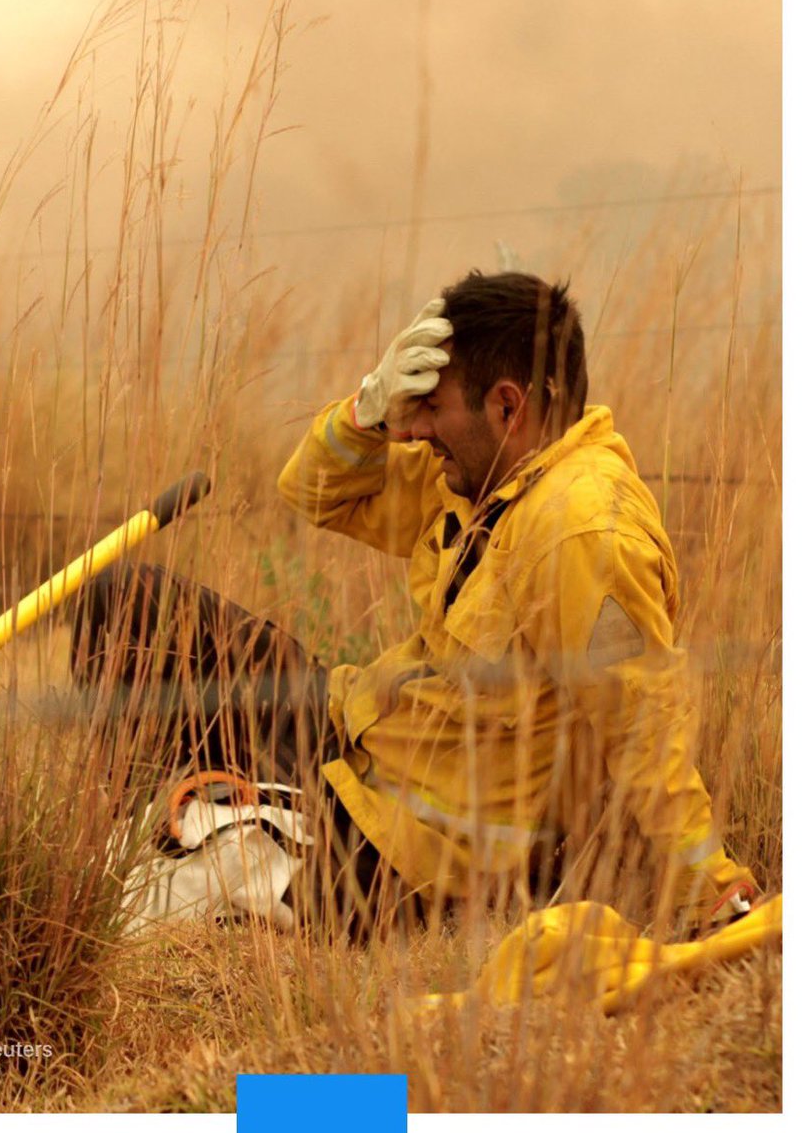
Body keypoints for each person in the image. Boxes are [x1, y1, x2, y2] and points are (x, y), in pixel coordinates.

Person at [275, 270, 759, 935]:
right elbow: (314, 495)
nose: (415, 429)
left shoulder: (584, 530)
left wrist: (713, 889)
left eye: (431, 407)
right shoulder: (478, 470)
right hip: (356, 730)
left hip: (410, 848)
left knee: (190, 886)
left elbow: (642, 727)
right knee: (130, 604)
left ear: (507, 406)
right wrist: (365, 412)